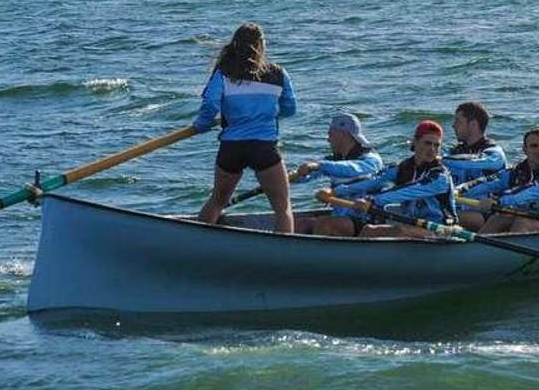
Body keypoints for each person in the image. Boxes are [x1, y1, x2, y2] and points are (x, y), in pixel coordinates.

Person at [193, 23, 297, 233]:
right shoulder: (278, 74)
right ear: (261, 46)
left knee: (217, 200)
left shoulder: (223, 74)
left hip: (232, 147)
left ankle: (191, 241)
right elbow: (289, 108)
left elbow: (211, 105)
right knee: (282, 207)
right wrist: (266, 115)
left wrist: (201, 125)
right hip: (264, 147)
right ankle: (286, 254)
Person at [316, 120, 457, 238]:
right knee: (368, 230)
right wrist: (336, 192)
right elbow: (373, 181)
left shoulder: (440, 176)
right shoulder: (402, 168)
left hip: (442, 230)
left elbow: (408, 191)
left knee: (395, 231)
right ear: (415, 142)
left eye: (436, 145)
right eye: (428, 143)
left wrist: (373, 200)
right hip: (414, 225)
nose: (432, 149)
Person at [461, 128, 539, 234]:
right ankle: (479, 250)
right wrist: (458, 191)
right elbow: (486, 182)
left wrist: (497, 201)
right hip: (531, 219)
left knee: (522, 222)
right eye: (534, 146)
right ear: (525, 149)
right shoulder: (515, 172)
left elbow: (527, 191)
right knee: (498, 218)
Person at [293, 113, 385, 234]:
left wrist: (319, 165)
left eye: (330, 134)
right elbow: (304, 177)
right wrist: (283, 177)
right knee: (299, 224)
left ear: (343, 134)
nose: (328, 139)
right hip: (340, 217)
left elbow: (351, 168)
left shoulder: (372, 160)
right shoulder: (334, 161)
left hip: (367, 219)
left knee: (326, 224)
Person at [443, 101, 507, 185]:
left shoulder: (495, 154)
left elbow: (473, 160)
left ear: (473, 124)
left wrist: (441, 159)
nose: (453, 125)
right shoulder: (454, 151)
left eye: (458, 121)